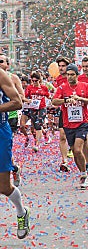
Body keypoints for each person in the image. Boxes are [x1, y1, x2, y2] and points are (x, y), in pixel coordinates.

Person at [52, 64, 88, 189]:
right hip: (68, 124)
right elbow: (54, 102)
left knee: (77, 149)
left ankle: (84, 175)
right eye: (68, 75)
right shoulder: (62, 87)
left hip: (82, 122)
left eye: (72, 74)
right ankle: (83, 173)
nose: (69, 77)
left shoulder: (84, 86)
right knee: (75, 153)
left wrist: (79, 98)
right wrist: (65, 100)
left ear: (77, 75)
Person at [0, 67, 30, 239]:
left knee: (4, 187)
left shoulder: (1, 74)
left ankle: (21, 212)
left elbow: (17, 102)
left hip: (0, 132)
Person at [0, 53, 25, 187]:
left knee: (5, 148)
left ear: (7, 65)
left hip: (10, 116)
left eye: (2, 61)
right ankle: (13, 167)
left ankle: (12, 168)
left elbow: (20, 97)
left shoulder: (12, 78)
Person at [54, 57, 73, 171]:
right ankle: (64, 161)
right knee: (62, 135)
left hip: (76, 110)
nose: (61, 68)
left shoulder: (75, 77)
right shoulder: (58, 79)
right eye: (59, 66)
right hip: (64, 110)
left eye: (63, 66)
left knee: (75, 138)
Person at [25, 71, 50, 152]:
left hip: (42, 108)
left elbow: (48, 96)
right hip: (33, 108)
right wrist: (28, 100)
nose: (34, 82)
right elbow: (25, 97)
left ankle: (37, 144)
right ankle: (45, 133)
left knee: (38, 124)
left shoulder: (44, 88)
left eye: (36, 81)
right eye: (33, 81)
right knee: (35, 126)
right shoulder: (29, 88)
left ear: (40, 80)